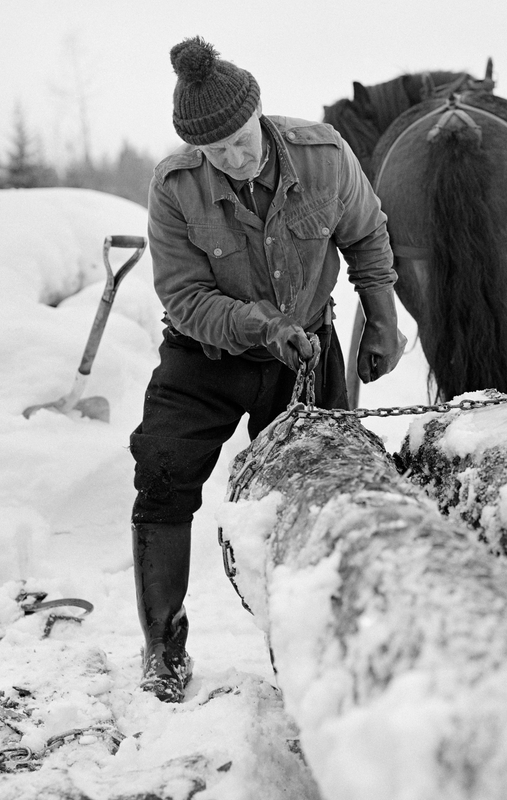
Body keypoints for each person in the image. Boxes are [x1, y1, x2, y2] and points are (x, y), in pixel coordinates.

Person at [130, 37, 405, 702]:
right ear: (199, 149)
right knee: (162, 475)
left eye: (241, 138)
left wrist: (382, 314)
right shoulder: (175, 189)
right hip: (206, 357)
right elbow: (185, 297)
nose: (235, 155)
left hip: (304, 353)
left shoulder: (324, 156)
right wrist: (258, 324)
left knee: (327, 492)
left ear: (258, 113)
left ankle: (324, 645)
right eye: (217, 149)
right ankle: (163, 645)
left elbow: (365, 234)